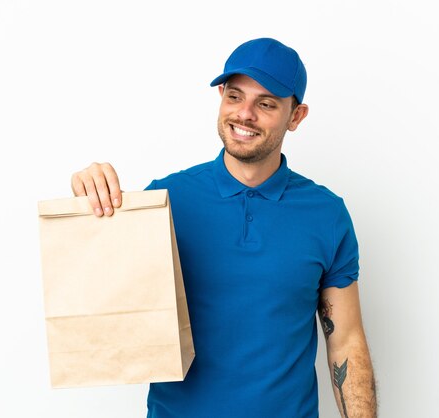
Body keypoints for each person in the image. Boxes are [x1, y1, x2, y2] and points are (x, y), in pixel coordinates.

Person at [71, 37, 377, 418]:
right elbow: (101, 305)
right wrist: (90, 202)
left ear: (296, 116)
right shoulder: (164, 200)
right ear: (221, 97)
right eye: (235, 96)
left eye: (265, 104)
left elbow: (345, 340)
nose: (245, 114)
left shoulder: (326, 214)